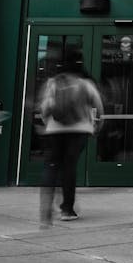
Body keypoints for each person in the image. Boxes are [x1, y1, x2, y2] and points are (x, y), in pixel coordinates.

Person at [37, 70, 103, 227]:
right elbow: (99, 108)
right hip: (80, 130)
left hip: (55, 130)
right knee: (69, 166)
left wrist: (47, 123)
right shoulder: (86, 84)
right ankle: (67, 210)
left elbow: (45, 108)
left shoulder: (53, 83)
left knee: (51, 166)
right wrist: (97, 126)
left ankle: (46, 210)